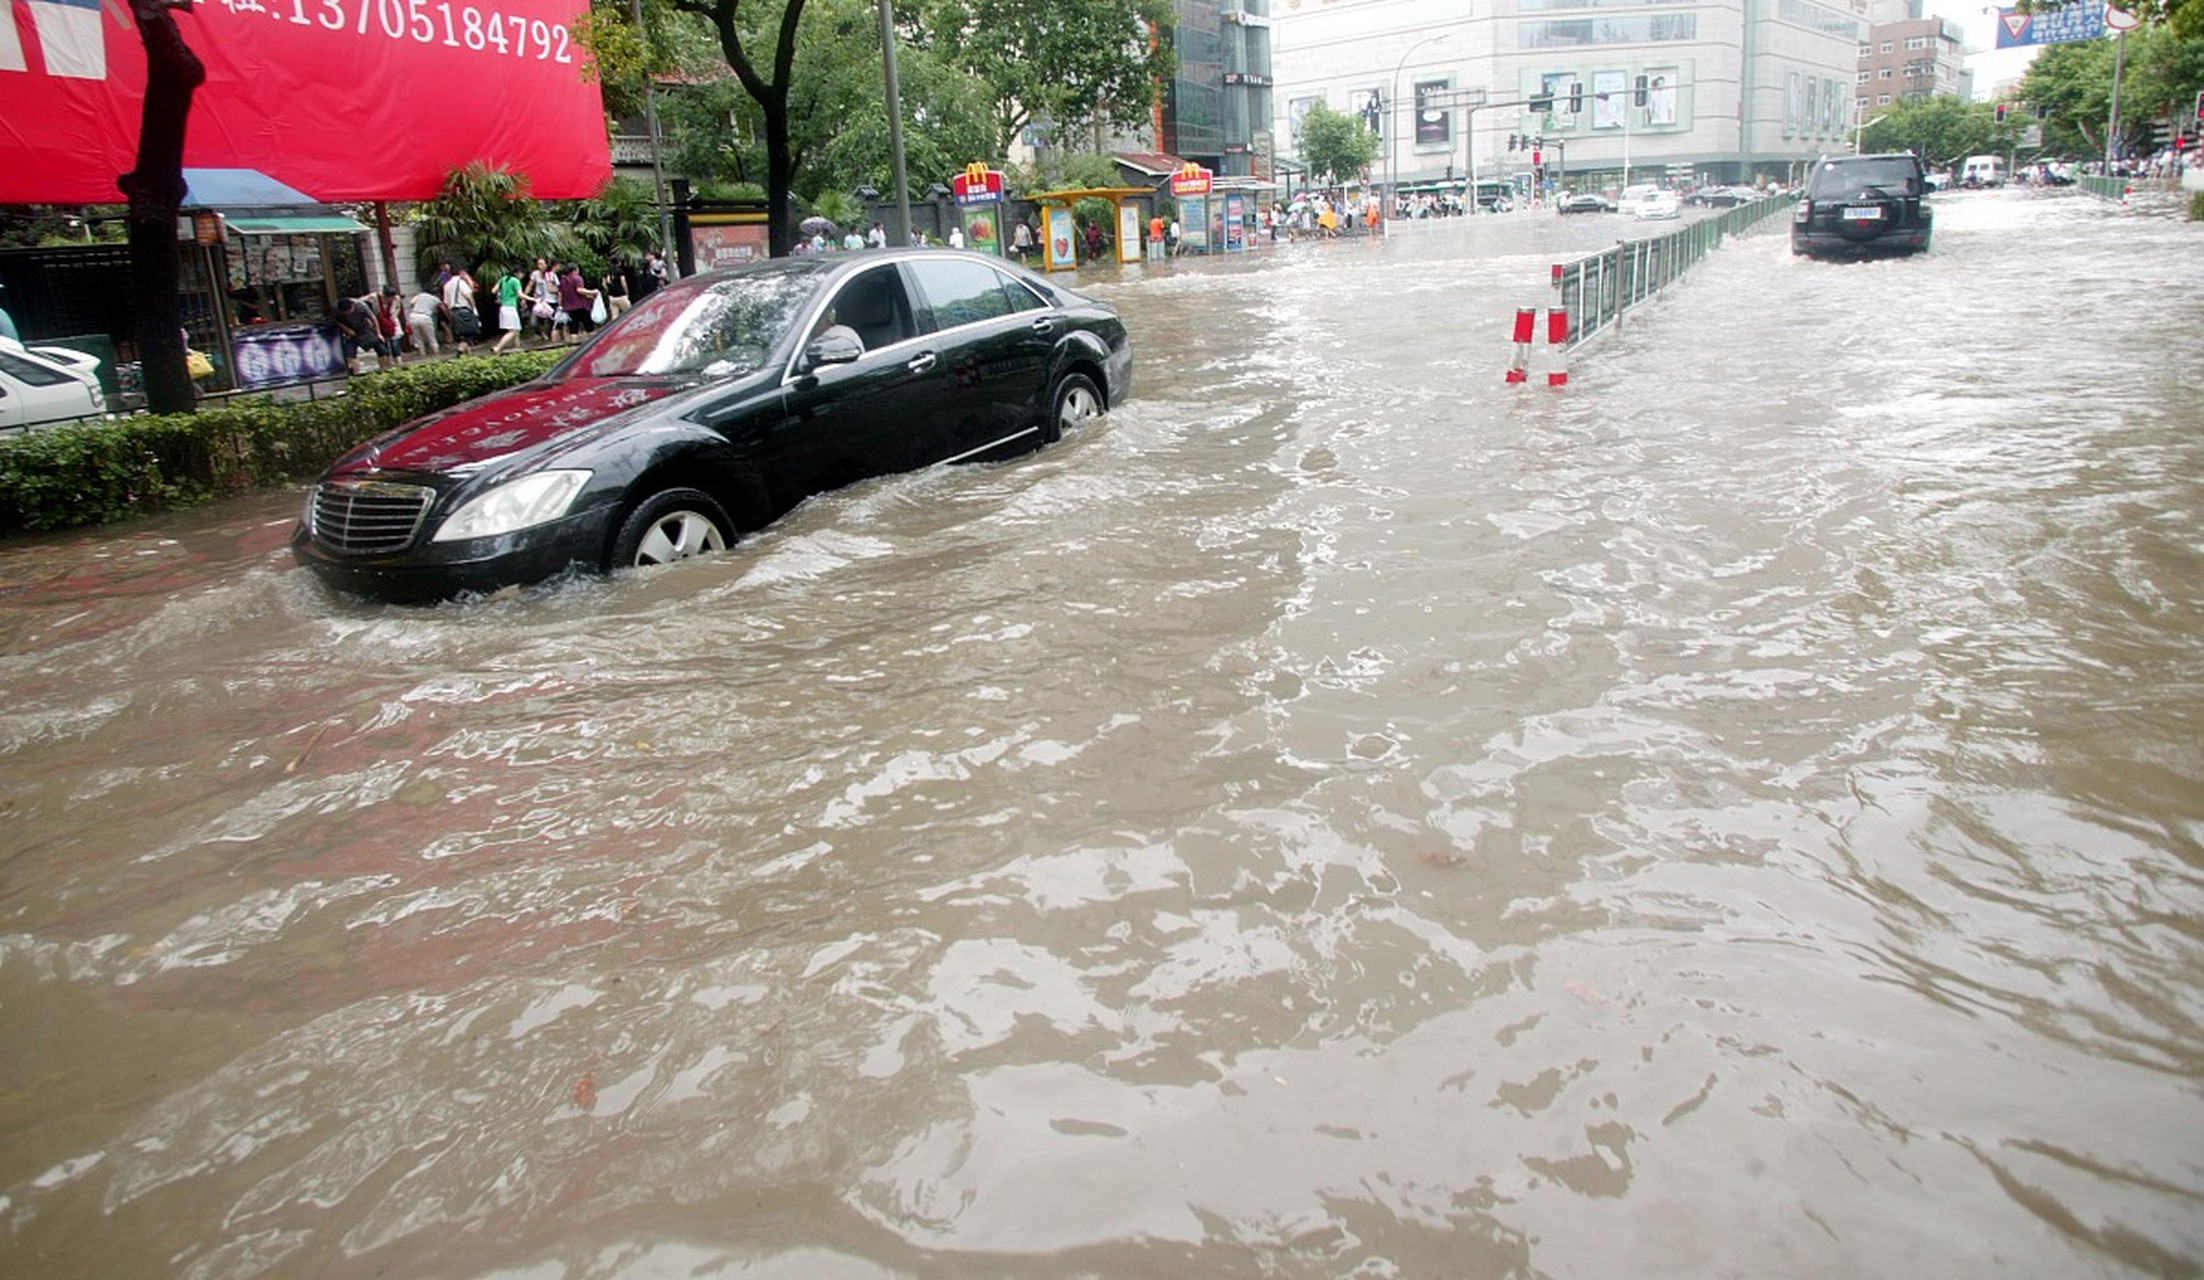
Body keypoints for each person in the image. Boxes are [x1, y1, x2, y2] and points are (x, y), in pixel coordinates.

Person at [329, 295, 381, 374]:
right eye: (345, 313)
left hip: (363, 327)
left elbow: (373, 319)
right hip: (348, 329)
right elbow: (335, 321)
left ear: (353, 306)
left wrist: (378, 333)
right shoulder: (336, 308)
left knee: (381, 348)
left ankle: (384, 369)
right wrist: (346, 329)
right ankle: (355, 372)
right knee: (350, 353)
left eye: (349, 311)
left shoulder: (361, 306)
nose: (348, 313)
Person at [441, 266, 479, 355]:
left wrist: (449, 316)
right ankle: (460, 350)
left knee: (462, 335)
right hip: (464, 310)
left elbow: (446, 303)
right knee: (469, 334)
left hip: (454, 312)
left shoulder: (447, 285)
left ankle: (469, 357)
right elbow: (468, 295)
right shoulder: (461, 283)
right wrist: (473, 309)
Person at [526, 257, 561, 343]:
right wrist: (525, 295)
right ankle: (541, 333)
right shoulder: (535, 274)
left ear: (546, 264)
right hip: (539, 300)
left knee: (549, 322)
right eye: (538, 264)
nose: (540, 266)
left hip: (551, 300)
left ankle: (549, 339)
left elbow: (558, 287)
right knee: (534, 322)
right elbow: (530, 285)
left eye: (541, 264)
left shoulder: (551, 274)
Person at [558, 262, 597, 337]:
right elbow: (579, 290)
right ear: (574, 270)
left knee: (573, 331)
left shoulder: (563, 280)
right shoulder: (577, 278)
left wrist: (561, 305)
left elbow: (560, 294)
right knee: (589, 328)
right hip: (581, 306)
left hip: (568, 307)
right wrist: (593, 292)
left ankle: (573, 344)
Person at [491, 268, 524, 354]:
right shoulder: (515, 281)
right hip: (511, 307)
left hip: (503, 307)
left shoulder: (503, 279)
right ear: (518, 273)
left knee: (516, 329)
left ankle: (518, 348)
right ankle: (498, 347)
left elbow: (493, 290)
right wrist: (533, 299)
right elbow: (520, 295)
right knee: (513, 331)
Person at [405, 288, 442, 357]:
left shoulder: (420, 295)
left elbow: (411, 302)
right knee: (431, 338)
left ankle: (422, 354)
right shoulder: (435, 299)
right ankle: (436, 354)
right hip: (425, 317)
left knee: (418, 339)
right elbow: (442, 306)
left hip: (413, 316)